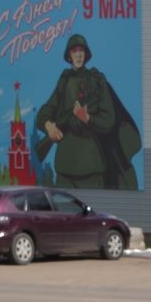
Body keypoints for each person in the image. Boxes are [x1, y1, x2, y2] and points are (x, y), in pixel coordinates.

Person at [35, 33, 142, 190]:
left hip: (91, 167)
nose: (78, 54)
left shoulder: (98, 81)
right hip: (65, 167)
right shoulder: (64, 81)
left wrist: (88, 119)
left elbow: (109, 120)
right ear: (69, 56)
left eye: (81, 51)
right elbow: (46, 110)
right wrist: (49, 126)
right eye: (74, 51)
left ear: (86, 54)